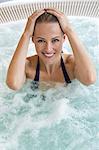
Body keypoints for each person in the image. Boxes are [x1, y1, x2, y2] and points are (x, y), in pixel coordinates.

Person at [6, 8, 96, 90]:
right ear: (33, 40)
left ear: (64, 38)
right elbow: (13, 85)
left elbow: (89, 79)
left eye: (55, 40)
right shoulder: (27, 67)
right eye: (41, 40)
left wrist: (69, 30)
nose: (48, 49)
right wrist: (26, 34)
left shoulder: (71, 65)